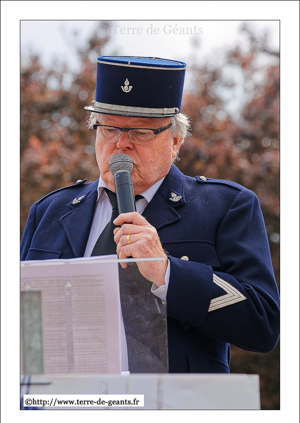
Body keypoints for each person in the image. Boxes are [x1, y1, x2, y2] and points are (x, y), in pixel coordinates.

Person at [21, 56, 280, 373]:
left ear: (175, 141)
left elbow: (263, 324)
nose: (121, 144)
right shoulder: (49, 211)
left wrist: (167, 274)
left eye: (141, 132)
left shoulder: (225, 206)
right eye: (109, 128)